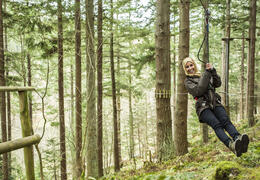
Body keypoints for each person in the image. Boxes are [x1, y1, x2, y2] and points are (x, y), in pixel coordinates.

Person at [182, 57, 249, 157]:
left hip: (214, 102)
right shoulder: (188, 81)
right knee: (217, 125)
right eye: (187, 67)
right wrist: (207, 73)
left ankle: (238, 139)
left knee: (225, 120)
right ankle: (231, 145)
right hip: (203, 107)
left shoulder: (203, 74)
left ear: (194, 65)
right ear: (185, 68)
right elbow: (199, 90)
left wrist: (212, 71)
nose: (190, 68)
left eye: (191, 65)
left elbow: (217, 83)